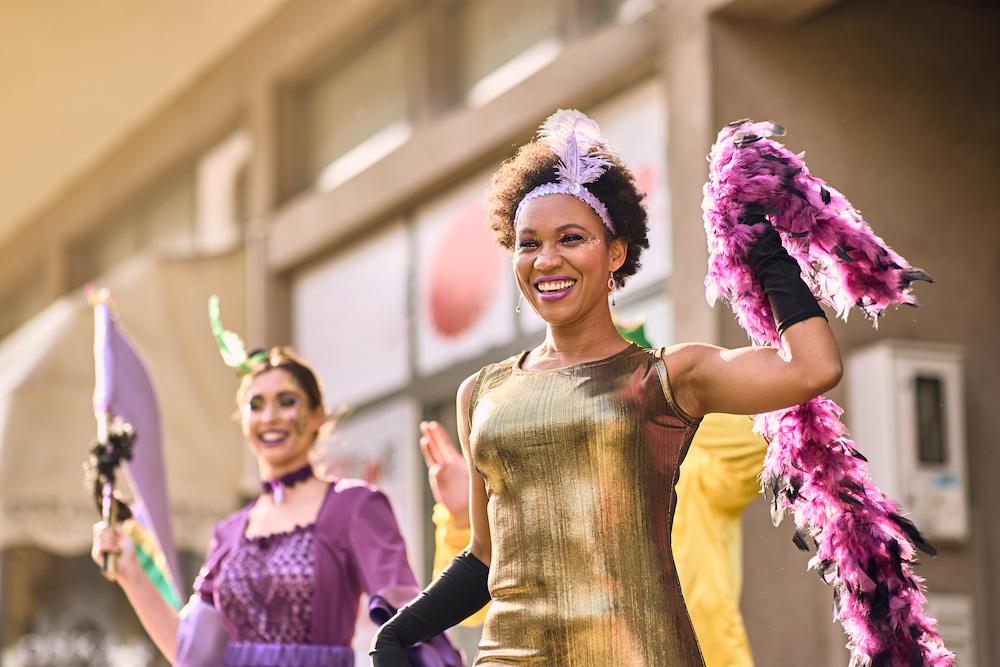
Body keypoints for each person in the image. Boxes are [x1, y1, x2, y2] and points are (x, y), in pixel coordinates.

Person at [370, 110, 841, 666]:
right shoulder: (481, 392)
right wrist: (401, 631)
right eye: (529, 243)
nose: (547, 260)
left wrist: (763, 250)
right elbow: (485, 557)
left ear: (614, 252)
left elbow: (811, 368)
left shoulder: (669, 376)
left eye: (571, 238)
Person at [93, 341, 461, 667]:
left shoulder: (354, 506)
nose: (269, 416)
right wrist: (130, 573)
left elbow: (409, 620)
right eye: (256, 405)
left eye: (287, 401)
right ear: (244, 421)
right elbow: (193, 654)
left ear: (318, 414)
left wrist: (460, 517)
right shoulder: (230, 533)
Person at [420, 408, 767, 667]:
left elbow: (770, 426)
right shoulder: (548, 509)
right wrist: (466, 517)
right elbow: (471, 606)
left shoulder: (690, 471)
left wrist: (680, 401)